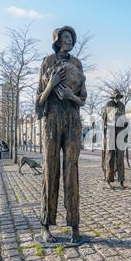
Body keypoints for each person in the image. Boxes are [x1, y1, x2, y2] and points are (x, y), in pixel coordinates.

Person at [35, 26, 87, 243]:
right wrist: (52, 86)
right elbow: (38, 100)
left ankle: (74, 225)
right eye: (66, 37)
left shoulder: (77, 64)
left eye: (72, 37)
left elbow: (83, 99)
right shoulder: (47, 61)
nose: (70, 40)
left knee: (71, 171)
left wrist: (70, 96)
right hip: (52, 120)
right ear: (57, 39)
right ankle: (45, 225)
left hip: (72, 120)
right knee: (51, 170)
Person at [102, 89, 127, 190]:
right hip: (111, 131)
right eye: (116, 96)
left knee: (120, 156)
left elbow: (124, 118)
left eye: (119, 97)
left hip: (120, 131)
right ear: (113, 97)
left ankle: (121, 180)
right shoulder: (108, 104)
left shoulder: (122, 105)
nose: (117, 98)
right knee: (110, 156)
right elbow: (105, 118)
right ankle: (108, 180)